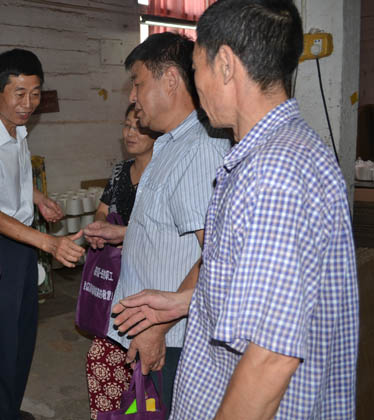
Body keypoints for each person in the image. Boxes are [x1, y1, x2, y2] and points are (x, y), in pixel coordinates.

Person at [112, 1, 359, 419]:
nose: (196, 85)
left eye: (196, 68)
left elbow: (270, 357)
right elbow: (260, 289)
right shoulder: (267, 156)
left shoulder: (274, 174)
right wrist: (185, 301)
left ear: (225, 64)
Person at [83, 32, 230, 417]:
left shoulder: (199, 150)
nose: (133, 97)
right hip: (157, 329)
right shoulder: (169, 144)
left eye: (138, 83)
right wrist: (125, 233)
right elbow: (169, 229)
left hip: (174, 336)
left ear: (171, 80)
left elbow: (215, 255)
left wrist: (157, 327)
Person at [0, 48, 85, 420]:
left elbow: (11, 181)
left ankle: (0, 404)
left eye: (35, 93)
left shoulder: (15, 129)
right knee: (6, 338)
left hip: (20, 243)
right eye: (19, 93)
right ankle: (4, 413)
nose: (28, 104)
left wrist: (39, 199)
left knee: (23, 332)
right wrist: (49, 242)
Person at [86, 103, 158, 419]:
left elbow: (165, 233)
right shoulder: (119, 172)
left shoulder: (164, 173)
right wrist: (99, 229)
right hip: (119, 277)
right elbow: (102, 211)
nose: (129, 133)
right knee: (102, 358)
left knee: (143, 365)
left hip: (153, 278)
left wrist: (121, 233)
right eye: (126, 125)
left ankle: (140, 410)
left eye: (138, 127)